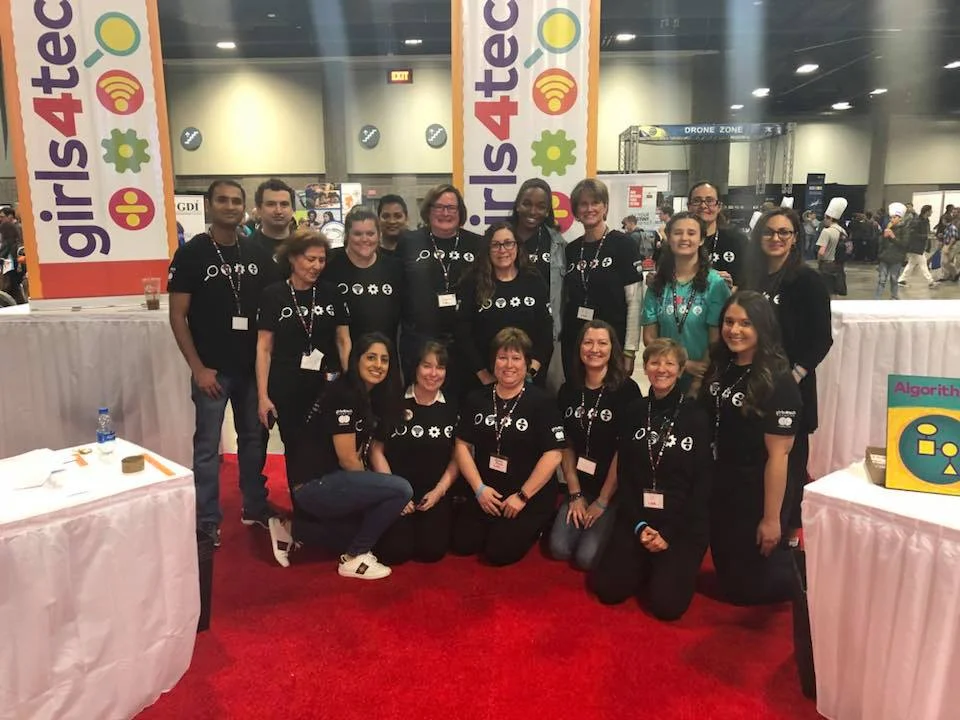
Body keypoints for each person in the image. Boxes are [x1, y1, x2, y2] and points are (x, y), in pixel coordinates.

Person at [168, 180, 280, 546]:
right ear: (209, 205)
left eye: (236, 201)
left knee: (253, 441)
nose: (230, 206)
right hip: (212, 372)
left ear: (244, 207)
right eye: (222, 200)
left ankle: (254, 506)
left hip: (251, 371)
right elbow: (177, 316)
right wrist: (198, 368)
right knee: (207, 447)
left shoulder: (257, 254)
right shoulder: (192, 254)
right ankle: (206, 520)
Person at [588, 338, 712, 620]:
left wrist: (668, 532)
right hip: (638, 516)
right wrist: (640, 524)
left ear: (681, 370)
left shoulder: (697, 417)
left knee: (666, 606)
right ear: (646, 367)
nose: (662, 369)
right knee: (607, 590)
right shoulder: (633, 411)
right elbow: (626, 475)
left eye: (670, 363)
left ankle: (661, 563)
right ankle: (645, 560)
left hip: (680, 523)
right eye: (655, 362)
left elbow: (702, 484)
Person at [704, 292, 801, 605]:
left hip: (757, 488)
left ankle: (802, 574)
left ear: (762, 327)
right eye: (729, 322)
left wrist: (772, 519)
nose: (735, 330)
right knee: (728, 580)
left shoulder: (778, 380)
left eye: (746, 323)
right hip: (722, 481)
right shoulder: (722, 365)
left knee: (750, 590)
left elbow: (779, 455)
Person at [288, 333, 411, 578]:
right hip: (315, 484)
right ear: (357, 360)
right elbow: (347, 459)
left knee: (379, 526)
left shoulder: (369, 395)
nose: (378, 365)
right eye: (371, 357)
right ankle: (355, 556)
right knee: (402, 489)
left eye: (384, 360)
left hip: (333, 481)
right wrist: (382, 490)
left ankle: (293, 528)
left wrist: (382, 489)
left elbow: (371, 451)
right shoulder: (344, 393)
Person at [745, 209, 832, 535]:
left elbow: (822, 339)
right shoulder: (752, 277)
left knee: (791, 463)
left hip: (791, 386)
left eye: (784, 232)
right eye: (769, 232)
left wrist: (793, 376)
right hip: (755, 382)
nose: (776, 238)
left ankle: (789, 531)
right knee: (759, 457)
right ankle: (760, 520)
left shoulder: (807, 281)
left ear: (796, 237)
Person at [452, 327, 566, 566]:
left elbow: (554, 454)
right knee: (462, 544)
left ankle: (540, 524)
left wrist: (522, 496)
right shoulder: (476, 399)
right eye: (502, 358)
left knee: (498, 553)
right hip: (488, 491)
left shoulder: (542, 402)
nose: (508, 365)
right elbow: (461, 445)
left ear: (527, 363)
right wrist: (479, 489)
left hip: (526, 494)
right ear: (493, 361)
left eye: (516, 358)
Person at [256, 229, 351, 498]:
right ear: (293, 259)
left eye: (321, 260)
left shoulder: (332, 293)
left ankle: (332, 510)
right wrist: (263, 396)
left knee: (329, 447)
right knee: (296, 449)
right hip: (288, 387)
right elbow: (264, 347)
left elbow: (343, 340)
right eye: (310, 259)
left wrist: (351, 380)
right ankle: (303, 512)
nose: (317, 266)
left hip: (327, 386)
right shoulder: (273, 295)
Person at [550, 320, 641, 570]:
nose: (594, 349)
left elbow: (625, 451)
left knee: (586, 559)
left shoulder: (627, 391)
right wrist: (575, 494)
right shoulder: (569, 389)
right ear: (579, 347)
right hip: (580, 485)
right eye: (588, 342)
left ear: (613, 349)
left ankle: (618, 523)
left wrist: (602, 501)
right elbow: (565, 444)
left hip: (612, 491)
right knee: (559, 549)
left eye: (602, 343)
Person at [370, 341, 459, 564]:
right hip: (397, 490)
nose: (433, 373)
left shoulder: (453, 407)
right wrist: (394, 491)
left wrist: (439, 491)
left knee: (431, 552)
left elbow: (460, 456)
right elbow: (376, 450)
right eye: (427, 366)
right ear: (415, 368)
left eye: (440, 367)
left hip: (435, 492)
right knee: (394, 553)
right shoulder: (395, 401)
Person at [396, 184, 482, 392]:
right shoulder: (409, 241)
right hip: (419, 340)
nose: (445, 213)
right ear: (428, 209)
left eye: (451, 208)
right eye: (439, 207)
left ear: (460, 211)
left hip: (464, 343)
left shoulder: (477, 244)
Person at [561, 178, 642, 381]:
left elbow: (635, 300)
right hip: (576, 342)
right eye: (583, 204)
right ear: (576, 211)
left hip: (612, 342)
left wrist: (630, 350)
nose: (589, 209)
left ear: (605, 206)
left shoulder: (623, 244)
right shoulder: (570, 249)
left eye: (595, 203)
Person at [641, 212, 730, 396]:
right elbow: (650, 337)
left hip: (702, 380)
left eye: (691, 233)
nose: (684, 238)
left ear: (701, 239)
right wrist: (684, 365)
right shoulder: (657, 283)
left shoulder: (715, 284)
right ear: (668, 237)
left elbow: (715, 340)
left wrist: (697, 381)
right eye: (677, 233)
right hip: (664, 377)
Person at [456, 223, 553, 390]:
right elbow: (463, 334)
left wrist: (531, 372)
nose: (502, 250)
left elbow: (545, 330)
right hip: (484, 381)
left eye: (508, 243)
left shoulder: (534, 280)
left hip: (528, 381)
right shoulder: (472, 282)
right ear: (487, 248)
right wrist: (484, 376)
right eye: (495, 245)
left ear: (517, 246)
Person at [324, 209, 404, 351]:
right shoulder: (329, 265)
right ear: (347, 235)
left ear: (379, 235)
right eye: (358, 234)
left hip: (383, 358)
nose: (365, 239)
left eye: (370, 233)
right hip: (341, 355)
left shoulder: (394, 268)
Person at [508, 179, 566, 366]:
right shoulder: (501, 236)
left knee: (538, 389)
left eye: (541, 206)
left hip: (542, 331)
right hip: (503, 329)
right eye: (527, 203)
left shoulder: (557, 243)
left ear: (548, 211)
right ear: (517, 205)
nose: (533, 211)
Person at [687, 181, 745, 288]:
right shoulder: (681, 241)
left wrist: (727, 291)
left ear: (719, 207)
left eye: (710, 200)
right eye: (697, 201)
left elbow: (745, 282)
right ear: (689, 206)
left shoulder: (737, 239)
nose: (703, 205)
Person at [250, 179, 295, 260]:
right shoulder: (246, 247)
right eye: (271, 204)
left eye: (284, 204)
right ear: (259, 209)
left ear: (293, 209)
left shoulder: (305, 246)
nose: (278, 211)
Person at [897, 204, 936, 289]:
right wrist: (926, 236)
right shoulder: (917, 221)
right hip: (914, 247)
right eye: (931, 211)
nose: (932, 212)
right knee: (923, 264)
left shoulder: (925, 221)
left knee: (911, 264)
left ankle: (901, 280)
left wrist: (928, 235)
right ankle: (931, 281)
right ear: (927, 212)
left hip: (919, 246)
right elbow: (913, 234)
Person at [816, 197, 849, 296]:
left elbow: (821, 251)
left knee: (825, 292)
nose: (824, 220)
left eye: (825, 217)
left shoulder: (827, 231)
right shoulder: (843, 231)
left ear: (830, 218)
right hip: (839, 265)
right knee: (836, 291)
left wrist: (819, 261)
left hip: (826, 265)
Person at [876, 204, 909, 298]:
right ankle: (877, 299)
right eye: (891, 218)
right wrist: (883, 237)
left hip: (897, 258)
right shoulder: (887, 228)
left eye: (894, 217)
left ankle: (894, 297)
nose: (892, 220)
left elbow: (904, 244)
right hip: (884, 257)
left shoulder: (904, 230)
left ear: (900, 219)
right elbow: (881, 245)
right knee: (881, 280)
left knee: (894, 279)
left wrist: (893, 237)